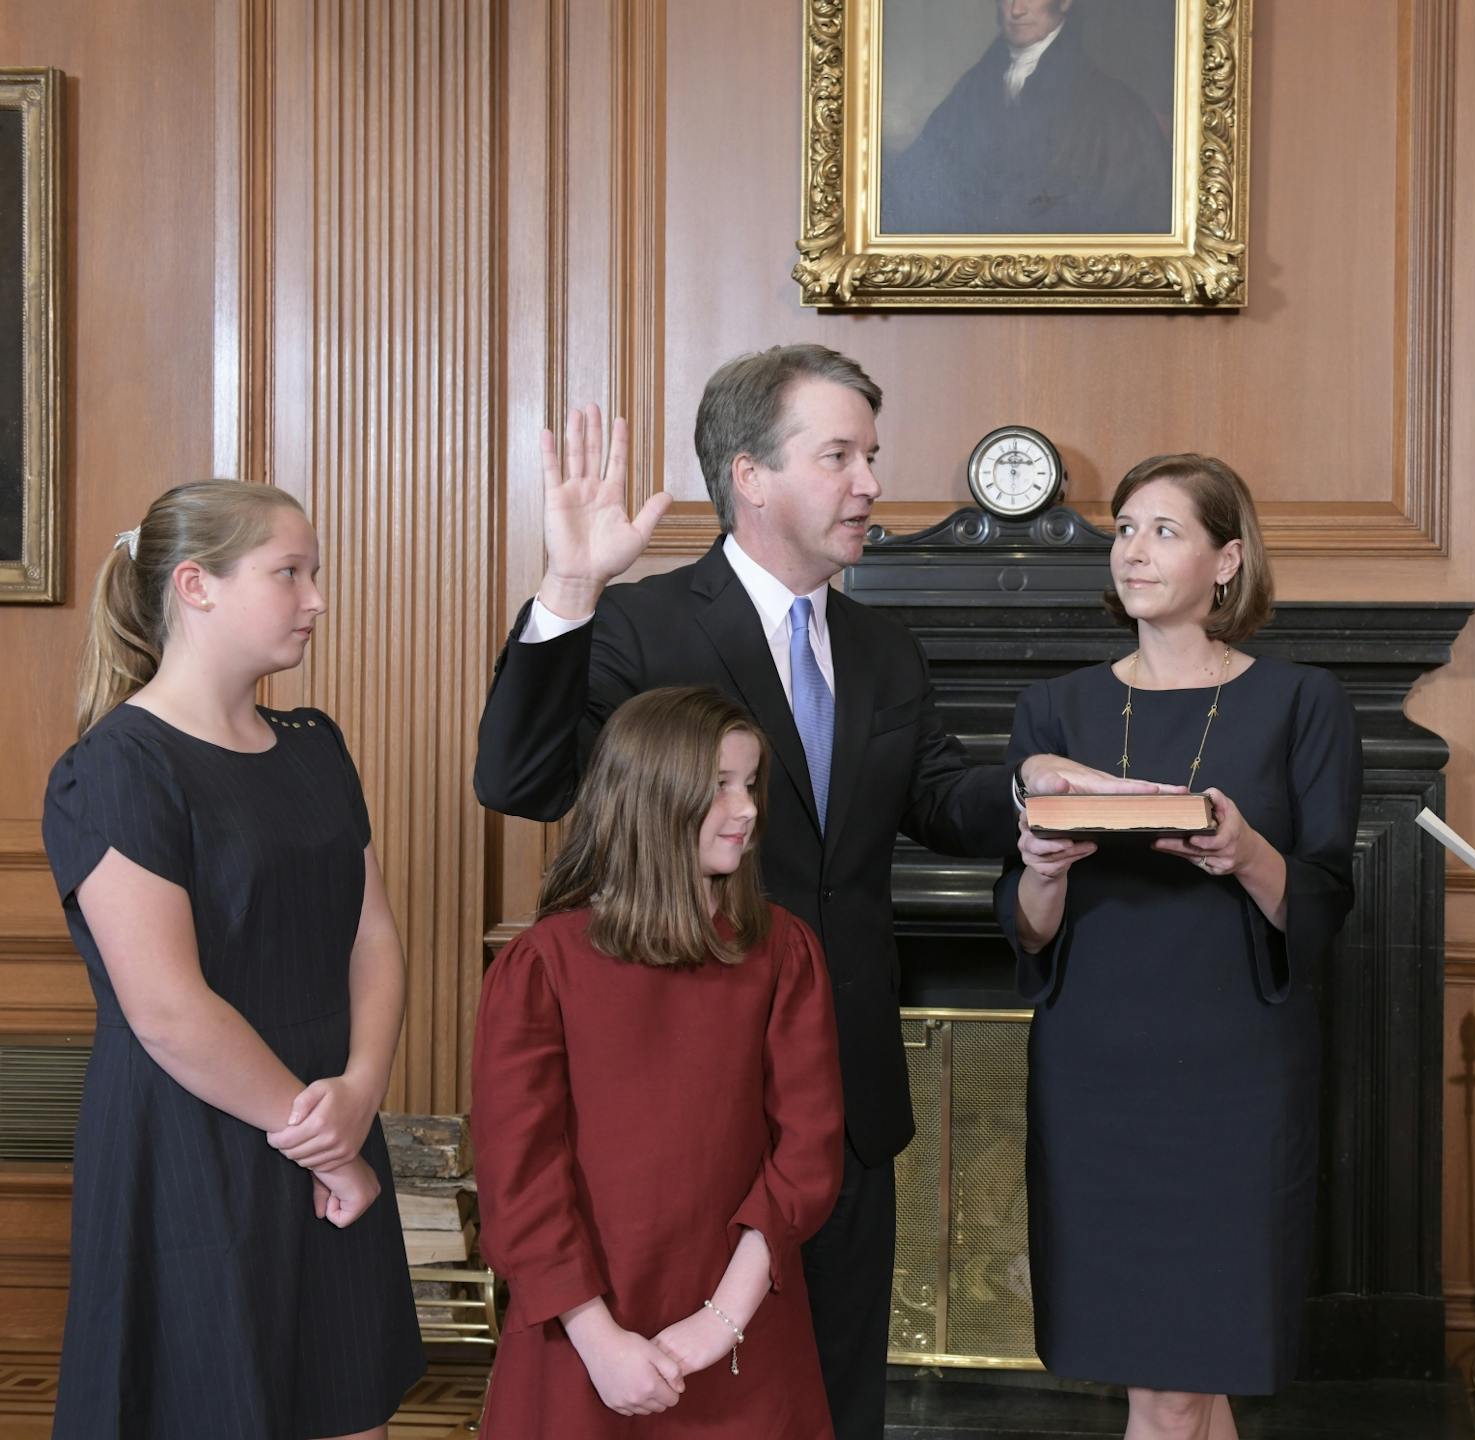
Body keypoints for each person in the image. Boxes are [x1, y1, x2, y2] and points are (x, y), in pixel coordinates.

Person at [473, 342, 1143, 1439]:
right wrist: (571, 586)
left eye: (870, 455)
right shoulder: (641, 624)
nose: (871, 482)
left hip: (842, 1108)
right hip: (686, 1124)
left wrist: (1030, 790)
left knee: (834, 1408)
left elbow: (935, 795)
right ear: (751, 474)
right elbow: (520, 779)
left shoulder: (882, 645)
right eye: (840, 455)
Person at [41, 481, 425, 1439]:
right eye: (288, 573)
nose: (316, 598)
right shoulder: (118, 767)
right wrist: (325, 1140)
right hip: (190, 1142)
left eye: (315, 572)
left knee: (347, 1409)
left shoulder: (315, 744)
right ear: (195, 587)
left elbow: (372, 934)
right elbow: (168, 1011)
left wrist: (360, 1094)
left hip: (330, 1117)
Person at [996, 454, 1361, 1440]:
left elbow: (1325, 903)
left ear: (1228, 559)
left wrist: (1245, 852)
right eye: (1124, 529)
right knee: (1180, 1379)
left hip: (1234, 1077)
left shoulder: (1302, 703)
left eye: (1164, 530)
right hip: (1095, 1075)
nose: (1134, 549)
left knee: (1183, 1374)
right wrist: (1042, 867)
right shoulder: (1056, 711)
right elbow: (1027, 931)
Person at [471, 686, 845, 1437]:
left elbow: (807, 1153)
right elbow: (521, 1179)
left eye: (750, 785)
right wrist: (600, 1341)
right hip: (578, 1334)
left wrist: (720, 1322)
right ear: (650, 798)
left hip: (744, 1331)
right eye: (719, 788)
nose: (747, 810)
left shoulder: (784, 951)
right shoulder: (541, 966)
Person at [881, 0, 1173, 235]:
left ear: (1066, 2)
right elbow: (916, 181)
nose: (1016, 10)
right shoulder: (973, 87)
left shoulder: (1115, 110)